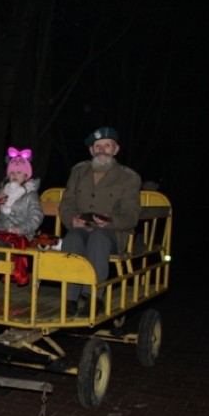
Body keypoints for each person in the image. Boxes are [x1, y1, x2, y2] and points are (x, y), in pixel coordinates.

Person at [59, 127, 141, 315]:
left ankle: (93, 297)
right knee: (72, 238)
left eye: (107, 145)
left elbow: (131, 214)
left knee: (98, 238)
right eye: (98, 146)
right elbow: (67, 203)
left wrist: (110, 222)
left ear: (115, 149)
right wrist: (72, 219)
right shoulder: (79, 171)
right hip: (82, 228)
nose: (102, 150)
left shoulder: (129, 178)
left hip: (112, 233)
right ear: (91, 150)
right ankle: (70, 298)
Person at [0, 146, 44, 285]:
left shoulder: (31, 195)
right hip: (0, 230)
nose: (14, 175)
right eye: (12, 172)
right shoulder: (5, 190)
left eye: (19, 172)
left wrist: (20, 228)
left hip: (20, 234)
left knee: (1, 244)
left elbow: (36, 217)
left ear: (27, 175)